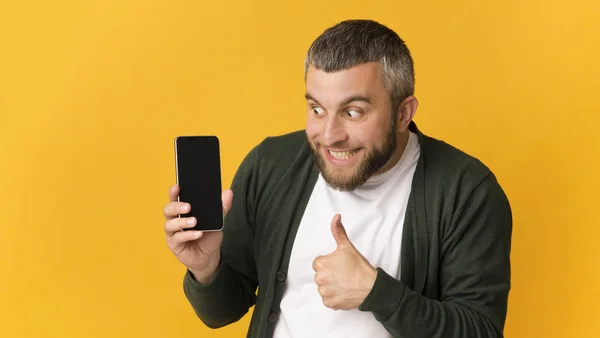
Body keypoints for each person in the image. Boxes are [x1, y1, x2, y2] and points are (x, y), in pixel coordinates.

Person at [163, 19, 512, 338]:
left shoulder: (467, 191)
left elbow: (480, 330)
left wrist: (379, 293)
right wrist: (206, 269)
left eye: (353, 112)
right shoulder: (270, 165)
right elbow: (221, 312)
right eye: (317, 109)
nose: (330, 135)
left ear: (403, 113)